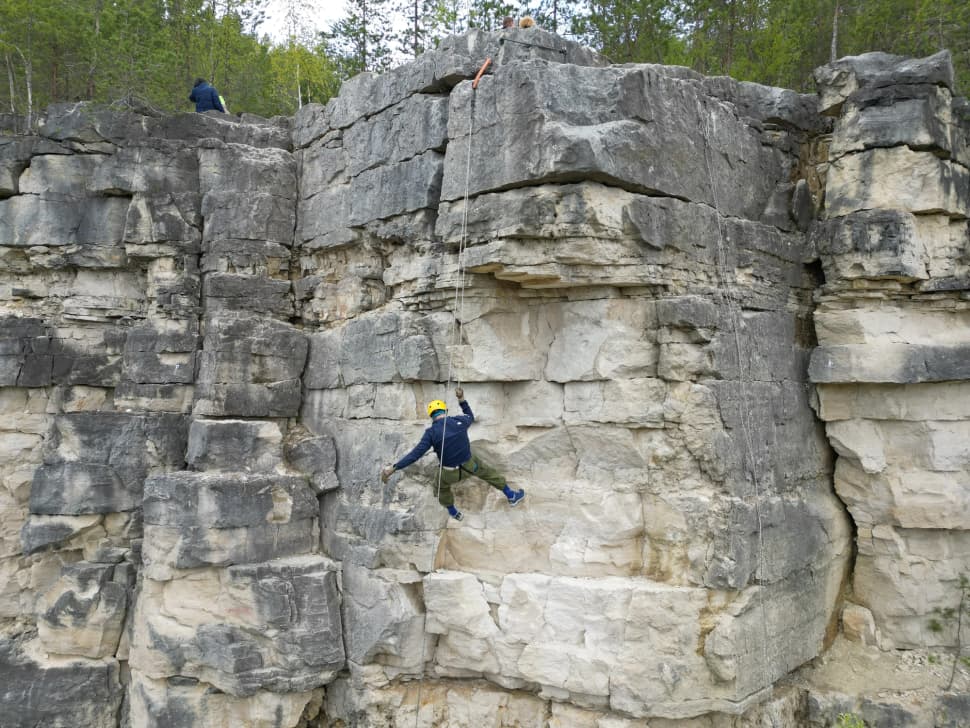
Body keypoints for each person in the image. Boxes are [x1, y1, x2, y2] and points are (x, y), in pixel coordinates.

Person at [381, 388, 525, 521]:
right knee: (488, 472)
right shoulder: (459, 421)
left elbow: (414, 455)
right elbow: (470, 415)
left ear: (432, 416)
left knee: (439, 486)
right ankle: (511, 495)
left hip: (449, 474)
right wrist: (461, 398)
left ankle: (453, 511)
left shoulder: (430, 433)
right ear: (445, 410)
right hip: (470, 466)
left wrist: (393, 468)